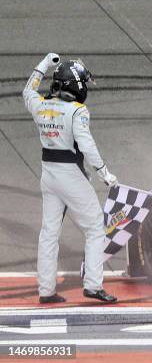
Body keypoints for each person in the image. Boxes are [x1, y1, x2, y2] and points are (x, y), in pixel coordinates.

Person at [23, 53, 118, 303]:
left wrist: (44, 64)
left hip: (48, 173)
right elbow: (87, 145)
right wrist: (104, 173)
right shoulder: (78, 112)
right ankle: (93, 285)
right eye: (83, 82)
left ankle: (46, 290)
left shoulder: (40, 104)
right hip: (71, 175)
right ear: (74, 84)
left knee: (49, 233)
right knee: (96, 228)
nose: (85, 87)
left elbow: (27, 90)